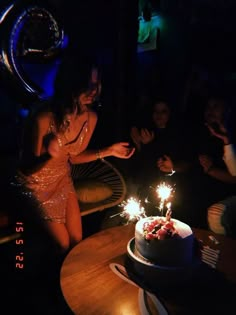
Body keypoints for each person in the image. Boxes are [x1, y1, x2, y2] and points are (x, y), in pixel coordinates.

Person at [14, 57, 135, 256]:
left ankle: (67, 279)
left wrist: (109, 150)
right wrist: (48, 156)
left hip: (62, 178)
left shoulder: (90, 118)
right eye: (87, 84)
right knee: (62, 243)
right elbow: (27, 168)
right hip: (35, 184)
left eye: (96, 84)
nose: (93, 90)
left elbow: (74, 157)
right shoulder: (44, 118)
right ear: (71, 83)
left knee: (76, 240)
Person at [127, 98, 193, 221]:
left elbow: (185, 162)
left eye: (163, 111)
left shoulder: (177, 134)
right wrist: (140, 145)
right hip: (148, 183)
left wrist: (173, 166)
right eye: (156, 111)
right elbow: (143, 164)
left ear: (170, 113)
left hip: (170, 184)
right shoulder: (147, 131)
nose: (158, 115)